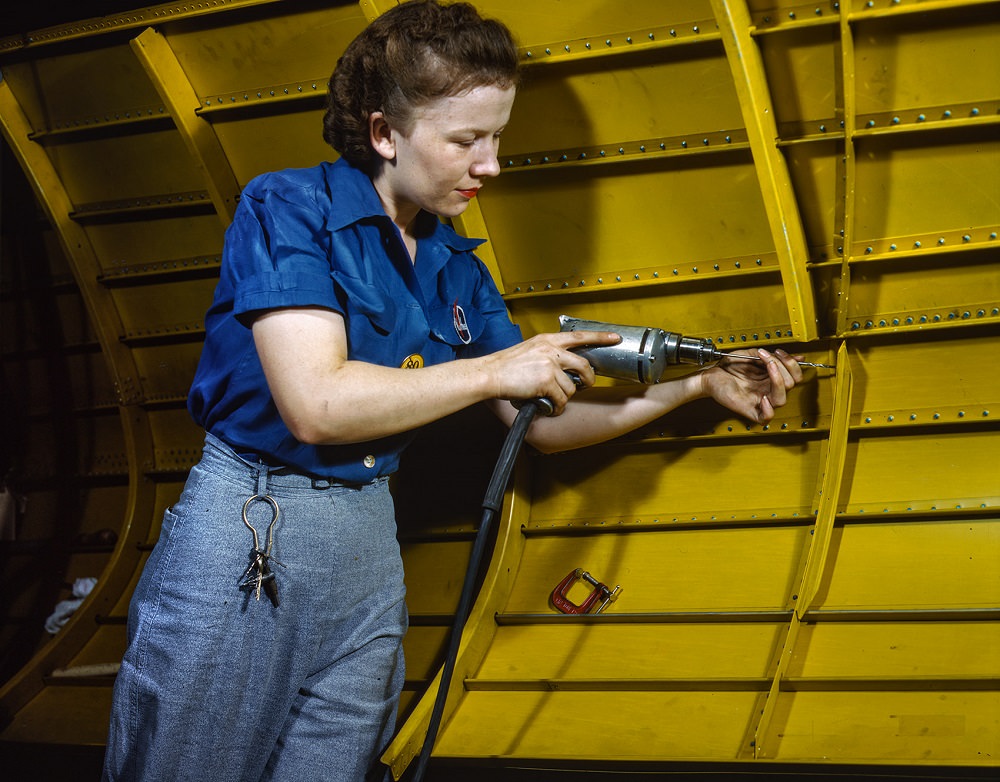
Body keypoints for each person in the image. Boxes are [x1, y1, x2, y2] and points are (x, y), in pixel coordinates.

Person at [102, 1, 804, 780]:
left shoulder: (457, 265)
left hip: (367, 541)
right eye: (466, 140)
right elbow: (317, 404)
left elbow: (533, 425)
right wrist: (495, 369)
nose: (491, 164)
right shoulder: (288, 207)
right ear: (383, 134)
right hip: (253, 525)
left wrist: (696, 388)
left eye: (496, 137)